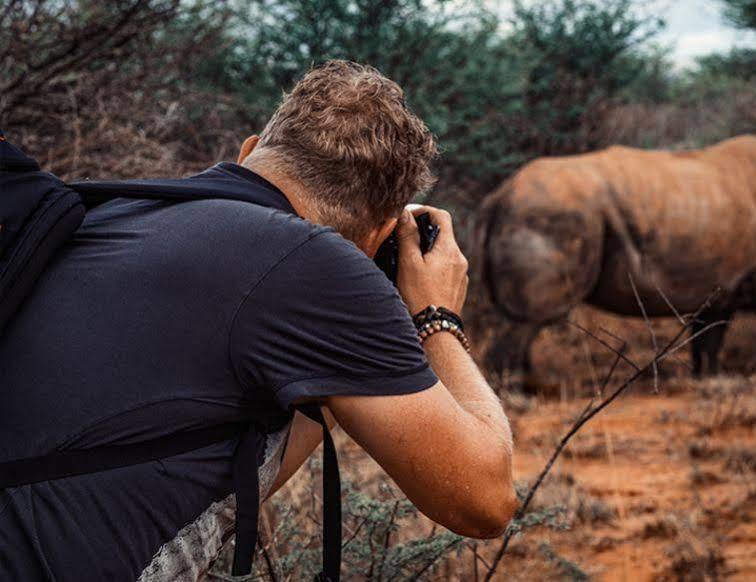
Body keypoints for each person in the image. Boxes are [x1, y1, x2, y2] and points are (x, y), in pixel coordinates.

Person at [0, 60, 517, 581]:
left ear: (248, 151)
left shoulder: (113, 210)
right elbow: (484, 502)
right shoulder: (312, 264)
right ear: (385, 228)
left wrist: (346, 370)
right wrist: (435, 318)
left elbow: (216, 474)